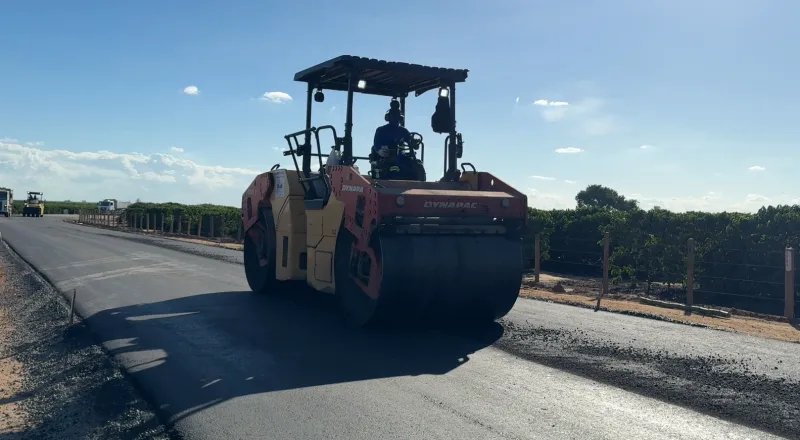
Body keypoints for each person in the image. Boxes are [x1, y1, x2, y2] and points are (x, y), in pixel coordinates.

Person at [371, 100, 414, 179]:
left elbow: (411, 142)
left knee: (414, 164)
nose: (395, 118)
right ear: (388, 117)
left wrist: (414, 142)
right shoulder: (381, 130)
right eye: (393, 115)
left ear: (400, 118)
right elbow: (376, 143)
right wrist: (380, 151)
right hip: (385, 157)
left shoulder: (403, 131)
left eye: (396, 116)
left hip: (401, 158)